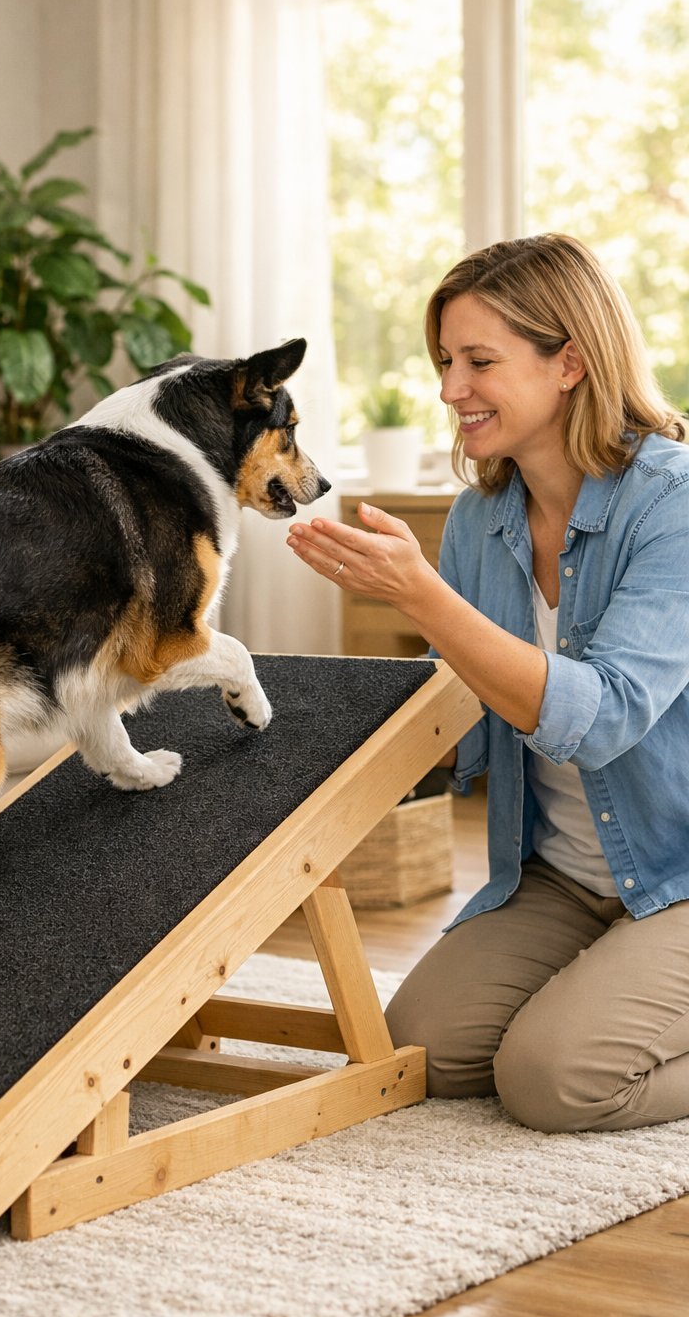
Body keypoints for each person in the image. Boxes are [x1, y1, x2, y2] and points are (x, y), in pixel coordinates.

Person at [286, 232, 689, 1134]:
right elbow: (462, 719)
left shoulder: (675, 504)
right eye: (443, 361)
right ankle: (611, 965)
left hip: (680, 869)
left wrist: (423, 598)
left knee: (554, 1081)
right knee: (425, 1049)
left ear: (571, 363)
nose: (448, 390)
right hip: (564, 878)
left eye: (478, 361)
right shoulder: (481, 518)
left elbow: (604, 719)